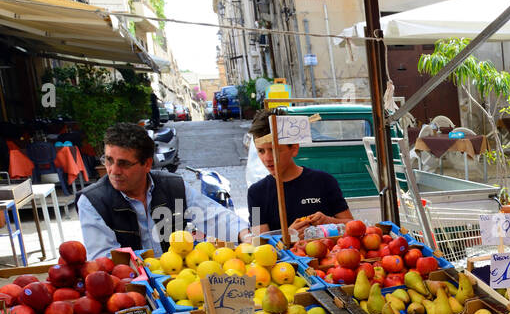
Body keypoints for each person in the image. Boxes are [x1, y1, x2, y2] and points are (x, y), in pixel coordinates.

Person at [77, 122, 249, 260]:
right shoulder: (93, 202)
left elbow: (213, 215)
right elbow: (104, 258)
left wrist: (244, 234)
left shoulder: (173, 187)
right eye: (108, 160)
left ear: (147, 164)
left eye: (124, 164)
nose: (113, 170)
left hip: (176, 280)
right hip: (130, 289)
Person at [246, 109, 352, 239]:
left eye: (274, 150)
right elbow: (258, 241)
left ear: (294, 149)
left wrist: (330, 222)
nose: (267, 158)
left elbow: (353, 225)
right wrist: (287, 235)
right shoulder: (255, 193)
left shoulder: (324, 181)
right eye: (261, 151)